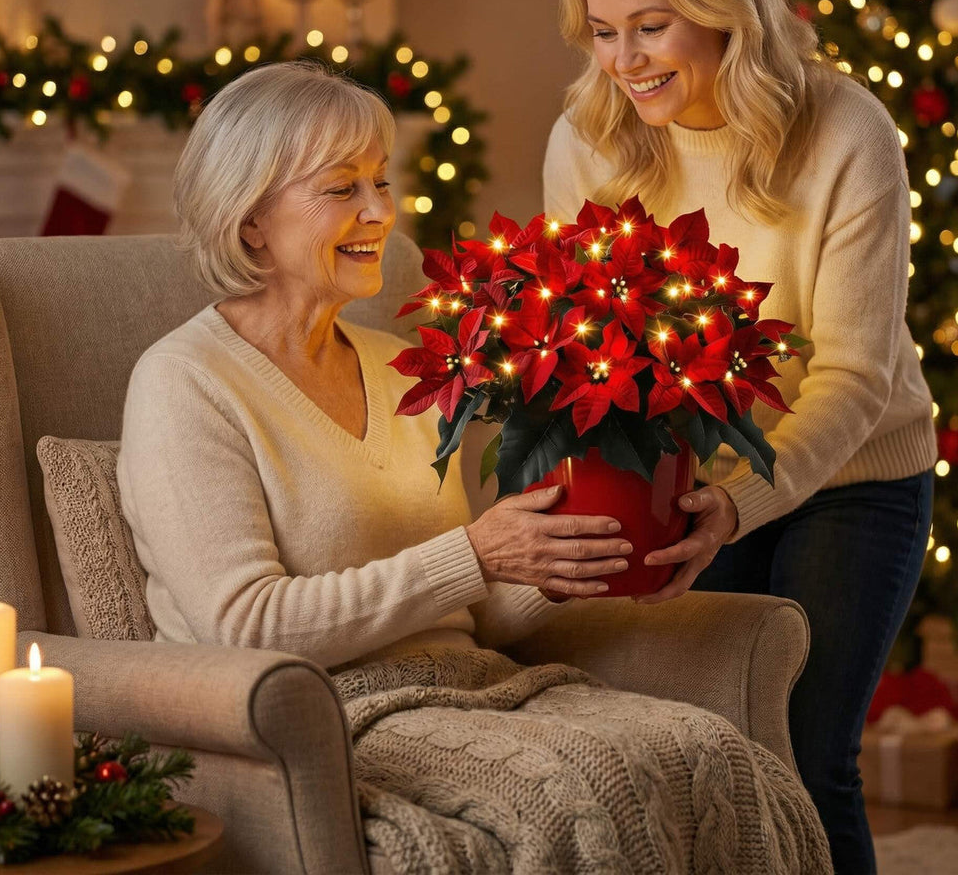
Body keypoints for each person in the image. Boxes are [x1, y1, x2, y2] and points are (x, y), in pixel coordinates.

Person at [117, 61, 831, 873]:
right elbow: (242, 626)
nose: (381, 211)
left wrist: (562, 562)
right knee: (580, 794)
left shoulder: (405, 369)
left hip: (477, 681)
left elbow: (474, 604)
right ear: (250, 222)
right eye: (341, 188)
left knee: (714, 753)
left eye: (381, 182)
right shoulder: (185, 382)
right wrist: (477, 554)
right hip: (329, 717)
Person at [544, 0, 937, 875]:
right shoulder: (589, 141)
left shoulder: (846, 131)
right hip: (691, 475)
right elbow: (594, 350)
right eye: (602, 31)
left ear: (725, 9)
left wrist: (742, 499)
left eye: (651, 26)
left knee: (808, 759)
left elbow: (853, 373)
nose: (625, 61)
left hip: (854, 475)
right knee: (708, 755)